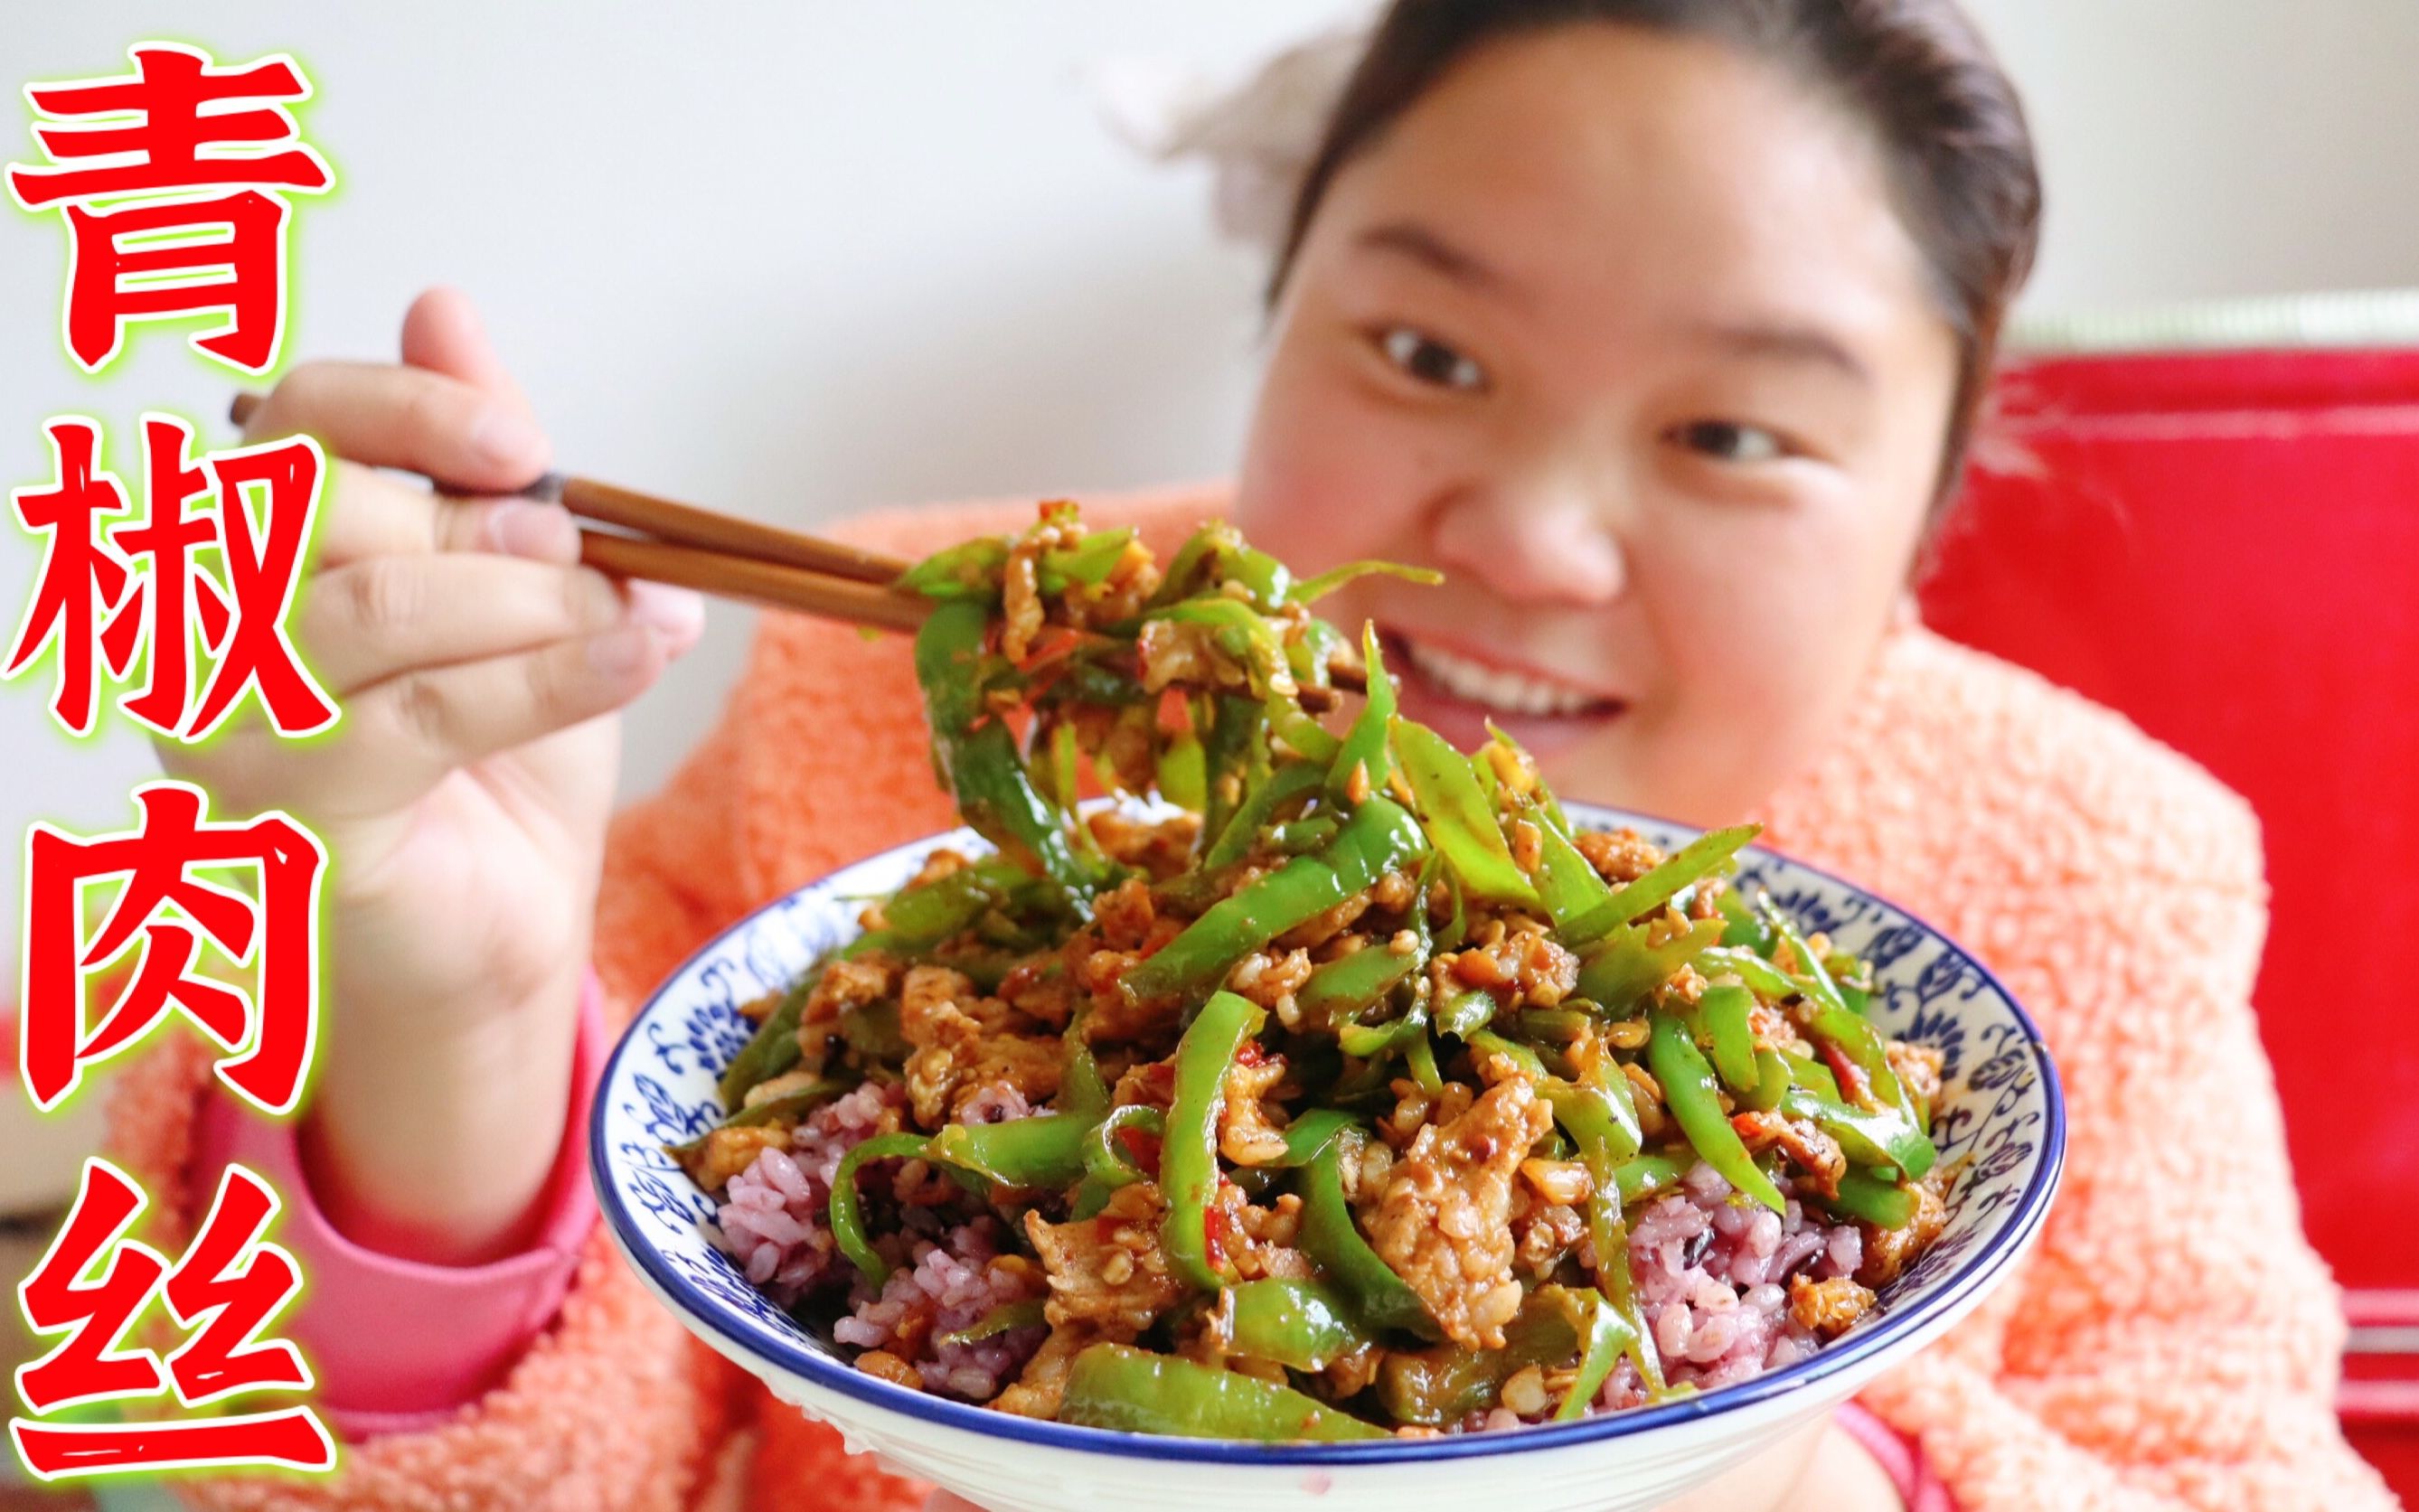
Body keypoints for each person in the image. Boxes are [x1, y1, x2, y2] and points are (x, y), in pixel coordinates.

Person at [108, 2, 2392, 1508]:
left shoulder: (2093, 874)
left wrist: (1769, 1458)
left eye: (1729, 430)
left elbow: (2227, 1469)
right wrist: (458, 1033)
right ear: (1273, 313)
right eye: (1424, 348)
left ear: (1927, 512)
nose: (1525, 537)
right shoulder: (886, 685)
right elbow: (524, 1441)